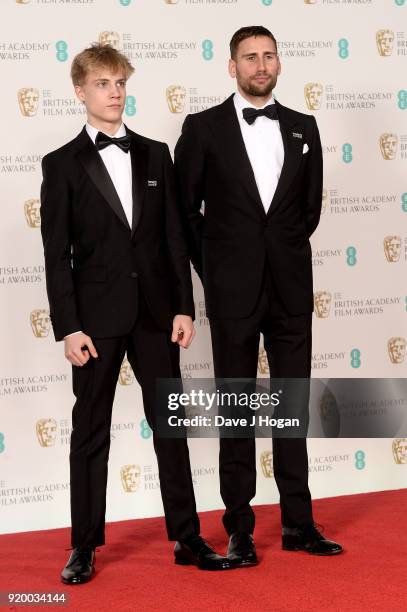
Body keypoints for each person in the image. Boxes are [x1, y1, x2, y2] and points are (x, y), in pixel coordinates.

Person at [40, 43, 232, 584]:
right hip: (94, 321)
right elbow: (56, 254)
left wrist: (183, 308)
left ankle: (187, 537)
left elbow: (174, 236)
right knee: (90, 433)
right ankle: (83, 546)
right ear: (80, 91)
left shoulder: (155, 154)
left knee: (171, 426)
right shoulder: (61, 164)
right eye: (102, 83)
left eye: (120, 82)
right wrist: (69, 325)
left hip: (155, 315)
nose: (114, 92)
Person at [175, 26, 343, 567]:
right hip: (233, 291)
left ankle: (298, 522)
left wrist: (282, 253)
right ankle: (239, 528)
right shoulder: (202, 129)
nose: (261, 64)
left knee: (292, 406)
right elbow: (184, 216)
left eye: (269, 55)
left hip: (291, 287)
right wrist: (216, 270)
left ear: (279, 62)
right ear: (232, 66)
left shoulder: (304, 127)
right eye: (250, 57)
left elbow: (308, 211)